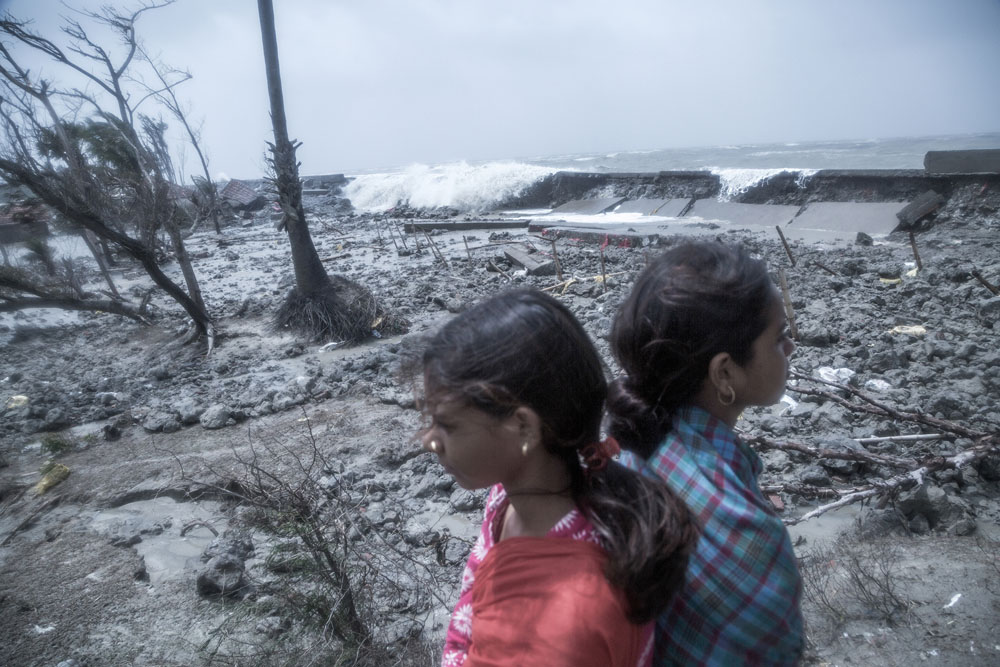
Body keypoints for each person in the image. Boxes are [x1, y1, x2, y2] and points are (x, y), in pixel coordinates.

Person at [419, 289, 698, 667]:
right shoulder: (515, 495)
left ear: (522, 428)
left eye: (446, 424)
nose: (429, 441)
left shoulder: (563, 623)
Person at [607, 241, 805, 666]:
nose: (789, 349)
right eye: (779, 338)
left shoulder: (626, 447)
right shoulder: (745, 536)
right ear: (725, 372)